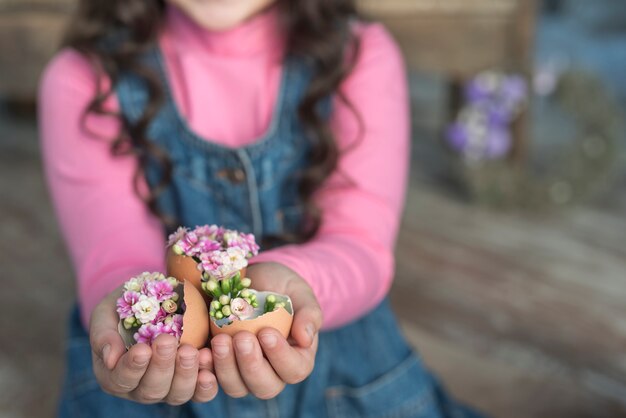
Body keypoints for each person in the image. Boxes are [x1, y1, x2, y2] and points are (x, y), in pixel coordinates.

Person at [39, 0, 486, 417]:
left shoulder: (358, 55)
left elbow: (360, 244)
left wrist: (285, 288)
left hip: (346, 378)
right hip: (149, 388)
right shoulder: (84, 78)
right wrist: (130, 311)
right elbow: (115, 258)